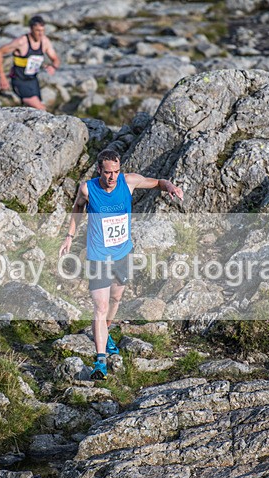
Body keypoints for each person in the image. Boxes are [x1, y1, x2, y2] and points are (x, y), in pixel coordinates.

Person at [59, 149, 184, 380]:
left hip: (123, 255)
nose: (112, 177)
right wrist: (69, 236)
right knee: (101, 307)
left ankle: (106, 333)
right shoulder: (88, 189)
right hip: (98, 257)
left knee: (116, 299)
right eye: (108, 173)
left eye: (116, 172)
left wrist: (171, 187)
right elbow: (77, 207)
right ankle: (100, 360)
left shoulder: (129, 182)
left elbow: (157, 182)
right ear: (99, 170)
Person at [0, 15, 60, 111]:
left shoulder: (45, 41)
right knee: (40, 109)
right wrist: (2, 76)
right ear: (31, 29)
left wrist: (53, 67)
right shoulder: (21, 42)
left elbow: (55, 59)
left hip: (33, 80)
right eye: (37, 31)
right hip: (19, 80)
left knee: (35, 111)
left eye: (42, 31)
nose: (40, 34)